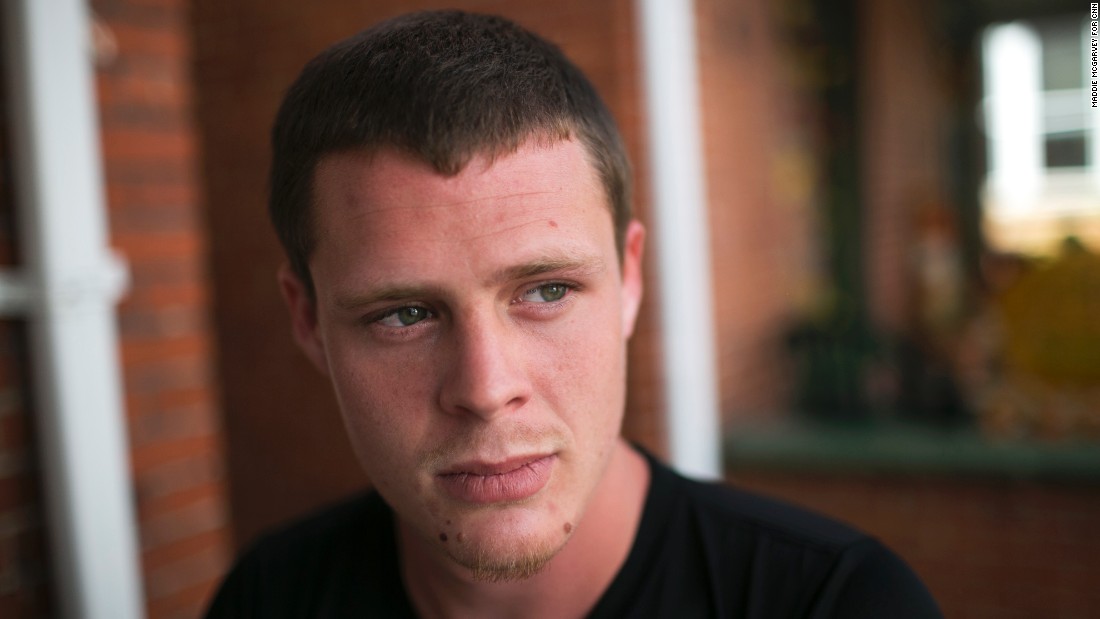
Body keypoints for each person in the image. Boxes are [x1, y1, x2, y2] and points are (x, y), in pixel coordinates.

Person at [205, 9, 941, 618]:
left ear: (627, 278)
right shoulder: (268, 598)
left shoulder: (838, 603)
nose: (487, 387)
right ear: (307, 321)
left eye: (547, 290)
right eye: (404, 314)